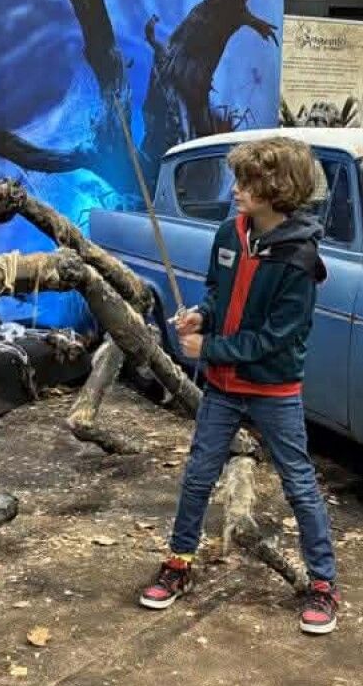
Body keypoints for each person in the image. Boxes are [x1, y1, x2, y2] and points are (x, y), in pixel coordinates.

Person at [139, 136, 341, 635]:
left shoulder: (299, 259)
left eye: (246, 182)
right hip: (222, 387)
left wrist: (209, 348)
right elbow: (217, 292)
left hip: (274, 390)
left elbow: (277, 338)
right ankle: (179, 562)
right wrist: (201, 316)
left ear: (278, 189)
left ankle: (323, 584)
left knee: (299, 483)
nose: (235, 190)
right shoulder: (230, 232)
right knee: (198, 475)